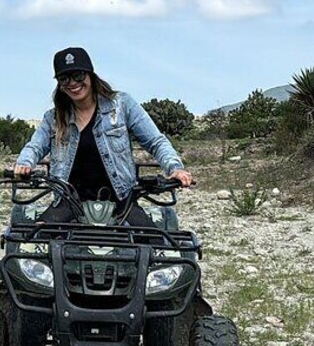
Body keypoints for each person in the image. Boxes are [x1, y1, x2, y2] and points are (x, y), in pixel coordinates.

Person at [14, 47, 193, 227]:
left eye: (78, 75)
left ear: (90, 75)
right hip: (68, 202)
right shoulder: (53, 118)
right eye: (64, 78)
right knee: (36, 240)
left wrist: (174, 168)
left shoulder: (122, 105)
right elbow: (35, 146)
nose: (72, 83)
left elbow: (155, 141)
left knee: (155, 244)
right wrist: (24, 164)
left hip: (121, 200)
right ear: (59, 83)